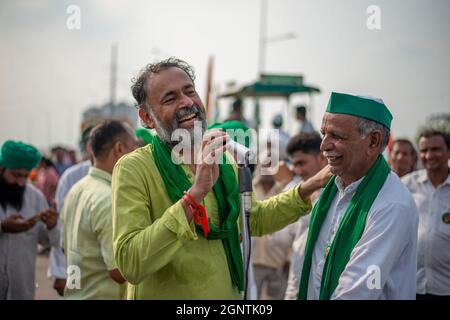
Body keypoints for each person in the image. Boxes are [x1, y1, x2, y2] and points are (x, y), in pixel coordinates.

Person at [112, 58, 331, 299]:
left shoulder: (224, 160)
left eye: (189, 91)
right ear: (147, 117)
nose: (187, 102)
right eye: (170, 98)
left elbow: (253, 219)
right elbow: (130, 262)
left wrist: (311, 185)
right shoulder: (134, 168)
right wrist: (196, 194)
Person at [298, 92, 419, 300]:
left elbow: (356, 292)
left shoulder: (391, 204)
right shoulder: (333, 189)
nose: (323, 145)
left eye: (336, 136)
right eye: (323, 134)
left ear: (373, 142)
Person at [61, 120, 136, 299]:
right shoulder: (109, 199)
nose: (138, 157)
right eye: (134, 150)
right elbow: (119, 272)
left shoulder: (77, 189)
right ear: (119, 149)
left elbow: (65, 248)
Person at [270, 133, 327, 299]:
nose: (298, 170)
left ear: (322, 158)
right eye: (294, 164)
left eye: (302, 163)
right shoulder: (296, 188)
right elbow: (280, 240)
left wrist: (289, 185)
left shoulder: (337, 190)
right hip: (297, 285)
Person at [0, 140, 58, 299]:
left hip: (22, 289)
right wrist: (2, 227)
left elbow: (46, 240)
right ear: (2, 168)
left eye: (25, 176)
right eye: (15, 175)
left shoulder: (35, 197)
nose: (20, 182)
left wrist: (52, 226)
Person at [402, 130, 450, 300]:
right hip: (411, 287)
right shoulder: (406, 185)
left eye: (435, 149)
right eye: (424, 150)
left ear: (448, 151)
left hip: (445, 288)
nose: (429, 155)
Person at [49, 125, 95, 296]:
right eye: (94, 142)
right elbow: (62, 225)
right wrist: (61, 271)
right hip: (76, 262)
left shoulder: (120, 172)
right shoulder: (71, 176)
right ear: (85, 147)